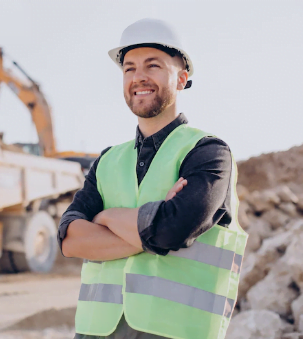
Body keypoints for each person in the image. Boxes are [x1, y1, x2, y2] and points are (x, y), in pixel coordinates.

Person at [58, 18, 248, 339]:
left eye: (153, 66)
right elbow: (70, 240)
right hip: (96, 330)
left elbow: (171, 231)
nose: (139, 77)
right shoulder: (107, 161)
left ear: (181, 79)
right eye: (129, 68)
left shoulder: (209, 153)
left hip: (175, 331)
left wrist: (104, 219)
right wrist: (150, 228)